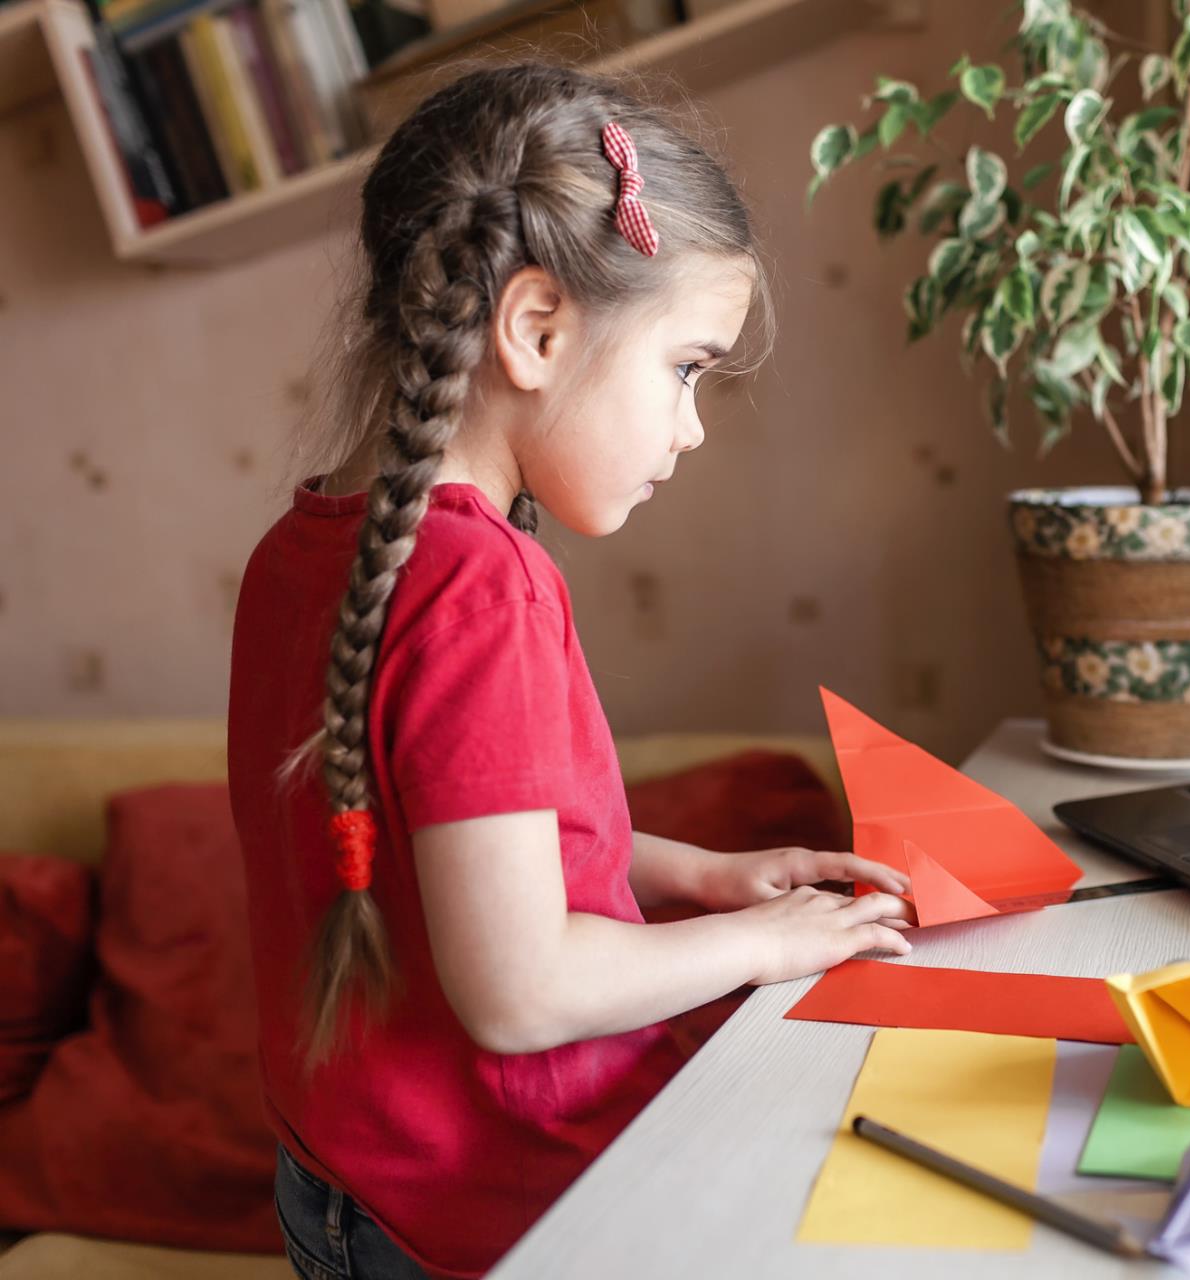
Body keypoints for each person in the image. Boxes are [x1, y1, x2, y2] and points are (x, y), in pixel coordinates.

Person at [225, 64, 912, 1280]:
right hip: (482, 1214)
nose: (692, 427)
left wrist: (703, 874)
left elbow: (458, 826)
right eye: (688, 367)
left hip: (337, 1184)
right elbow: (524, 989)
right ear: (537, 329)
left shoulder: (305, 548)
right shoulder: (480, 586)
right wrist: (774, 944)